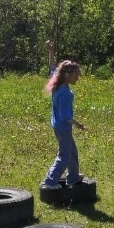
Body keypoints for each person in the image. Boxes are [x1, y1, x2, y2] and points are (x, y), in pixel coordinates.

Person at [42, 59, 86, 189]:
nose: (77, 78)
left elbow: (52, 68)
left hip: (58, 125)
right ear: (67, 75)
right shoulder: (65, 93)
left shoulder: (57, 82)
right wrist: (79, 125)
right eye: (76, 75)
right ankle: (50, 181)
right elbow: (66, 116)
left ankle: (73, 177)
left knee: (72, 152)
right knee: (64, 155)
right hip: (63, 127)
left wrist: (51, 52)